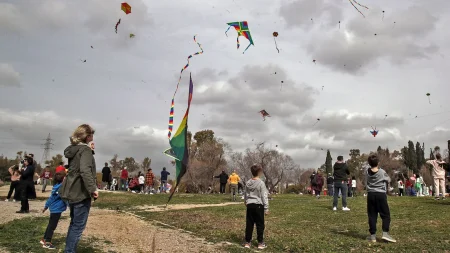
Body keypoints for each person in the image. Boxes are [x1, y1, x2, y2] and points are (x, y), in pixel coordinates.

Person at [59, 124, 98, 253]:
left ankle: (69, 250)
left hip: (70, 191)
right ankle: (69, 251)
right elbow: (85, 171)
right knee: (78, 226)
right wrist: (93, 189)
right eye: (92, 134)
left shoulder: (73, 149)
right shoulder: (85, 150)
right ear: (87, 136)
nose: (93, 137)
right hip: (80, 192)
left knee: (74, 223)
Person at [365, 154, 396, 243]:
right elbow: (388, 180)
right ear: (378, 163)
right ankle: (385, 233)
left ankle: (373, 236)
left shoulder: (367, 172)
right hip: (380, 194)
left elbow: (366, 181)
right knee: (385, 215)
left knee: (372, 215)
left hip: (370, 195)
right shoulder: (382, 172)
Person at [243, 164, 269, 250]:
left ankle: (247, 242)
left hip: (250, 205)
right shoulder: (261, 183)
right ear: (259, 172)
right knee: (260, 224)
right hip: (259, 205)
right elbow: (264, 195)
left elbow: (246, 193)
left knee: (249, 223)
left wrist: (246, 201)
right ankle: (260, 243)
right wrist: (266, 208)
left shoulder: (248, 182)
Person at [40, 172, 67, 249]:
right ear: (62, 180)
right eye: (65, 178)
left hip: (53, 209)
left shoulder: (56, 186)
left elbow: (51, 198)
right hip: (56, 210)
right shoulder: (61, 188)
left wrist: (46, 207)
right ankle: (47, 243)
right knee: (52, 226)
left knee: (50, 225)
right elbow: (65, 198)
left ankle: (44, 239)